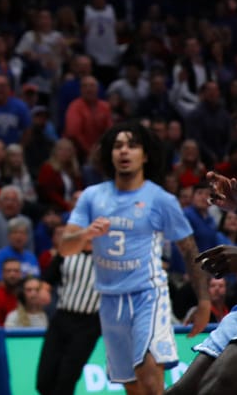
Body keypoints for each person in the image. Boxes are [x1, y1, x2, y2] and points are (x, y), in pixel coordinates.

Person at [59, 121, 210, 395]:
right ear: (109, 154)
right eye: (118, 146)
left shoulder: (160, 199)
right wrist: (86, 234)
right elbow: (64, 248)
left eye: (132, 145)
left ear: (145, 155)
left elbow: (189, 249)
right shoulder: (92, 196)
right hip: (109, 300)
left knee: (150, 379)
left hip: (148, 296)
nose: (124, 151)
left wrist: (204, 300)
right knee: (133, 387)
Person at [35, 233, 101, 395]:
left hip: (90, 323)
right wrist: (43, 290)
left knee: (67, 378)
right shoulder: (67, 252)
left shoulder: (111, 259)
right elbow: (48, 278)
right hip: (62, 318)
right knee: (44, 379)